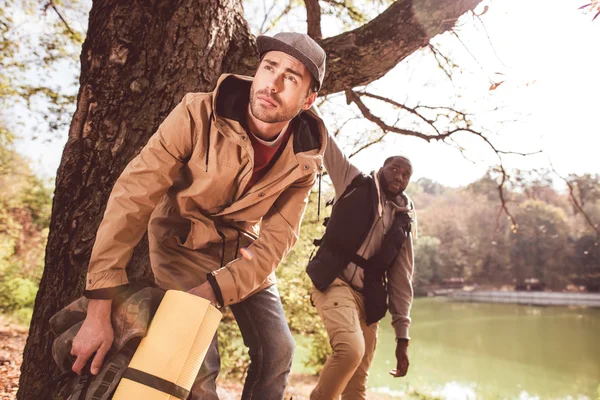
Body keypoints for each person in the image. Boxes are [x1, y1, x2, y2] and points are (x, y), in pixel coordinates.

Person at [69, 32, 328, 400]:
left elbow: (278, 239)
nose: (273, 83)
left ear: (308, 99)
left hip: (245, 255)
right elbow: (133, 195)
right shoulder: (197, 112)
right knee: (198, 372)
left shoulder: (305, 159)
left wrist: (217, 288)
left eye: (292, 77)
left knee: (278, 351)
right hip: (182, 244)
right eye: (269, 67)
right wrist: (99, 303)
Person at [306, 133, 416, 400]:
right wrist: (307, 97)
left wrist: (403, 338)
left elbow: (402, 280)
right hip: (334, 282)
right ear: (382, 169)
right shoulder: (353, 181)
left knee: (357, 383)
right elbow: (328, 142)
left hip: (370, 298)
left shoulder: (404, 222)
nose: (399, 176)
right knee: (350, 352)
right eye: (394, 169)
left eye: (405, 174)